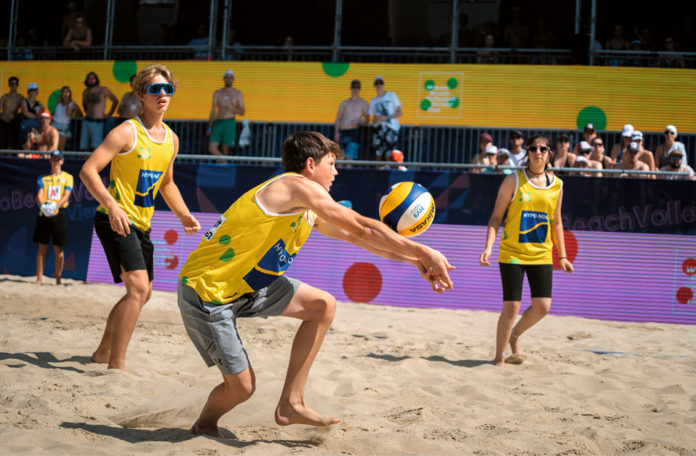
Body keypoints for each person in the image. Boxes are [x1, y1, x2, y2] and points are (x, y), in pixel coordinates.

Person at [177, 130, 454, 437]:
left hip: (249, 287)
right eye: (331, 163)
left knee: (322, 306)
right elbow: (361, 227)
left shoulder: (307, 206)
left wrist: (416, 261)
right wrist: (423, 250)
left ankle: (291, 404)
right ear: (310, 164)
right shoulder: (293, 186)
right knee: (242, 388)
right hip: (207, 291)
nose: (335, 172)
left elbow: (356, 238)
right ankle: (204, 423)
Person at [79, 64, 201, 371]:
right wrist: (112, 205)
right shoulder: (126, 131)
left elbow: (167, 183)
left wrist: (184, 214)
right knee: (137, 289)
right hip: (114, 218)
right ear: (140, 95)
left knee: (142, 293)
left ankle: (101, 353)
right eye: (155, 89)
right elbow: (88, 171)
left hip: (141, 223)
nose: (162, 95)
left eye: (168, 89)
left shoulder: (171, 140)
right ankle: (116, 366)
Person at [479, 133, 574, 367]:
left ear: (550, 153)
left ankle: (515, 335)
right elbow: (495, 217)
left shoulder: (557, 185)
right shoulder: (514, 180)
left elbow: (557, 222)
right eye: (533, 148)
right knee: (511, 306)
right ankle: (499, 357)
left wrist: (562, 255)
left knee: (543, 306)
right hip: (512, 252)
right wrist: (488, 247)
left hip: (541, 253)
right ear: (527, 153)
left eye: (543, 149)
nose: (538, 152)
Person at [34, 150, 73, 285]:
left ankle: (58, 278)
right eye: (54, 159)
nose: (56, 162)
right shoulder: (42, 177)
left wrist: (56, 206)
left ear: (62, 161)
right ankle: (39, 278)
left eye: (58, 159)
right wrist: (43, 205)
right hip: (44, 212)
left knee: (59, 248)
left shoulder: (68, 177)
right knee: (42, 246)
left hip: (59, 212)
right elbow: (39, 194)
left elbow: (66, 195)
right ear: (50, 160)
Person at [207, 69, 245, 158]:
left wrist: (231, 107)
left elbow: (242, 112)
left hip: (230, 122)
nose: (228, 80)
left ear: (233, 79)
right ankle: (225, 163)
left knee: (225, 150)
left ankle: (223, 167)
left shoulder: (238, 94)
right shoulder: (218, 93)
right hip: (218, 122)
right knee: (212, 148)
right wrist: (210, 126)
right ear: (223, 79)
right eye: (227, 78)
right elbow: (213, 111)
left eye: (230, 78)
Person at [81, 72, 118, 152]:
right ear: (87, 80)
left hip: (97, 122)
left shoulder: (103, 90)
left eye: (93, 78)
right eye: (89, 78)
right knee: (84, 147)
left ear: (96, 79)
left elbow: (115, 101)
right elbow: (84, 104)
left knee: (96, 147)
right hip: (86, 121)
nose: (91, 80)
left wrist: (109, 114)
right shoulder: (85, 92)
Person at [334, 79, 368, 162]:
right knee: (339, 159)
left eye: (357, 87)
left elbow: (367, 118)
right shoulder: (344, 103)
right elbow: (338, 118)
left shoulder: (363, 103)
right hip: (343, 132)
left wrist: (359, 122)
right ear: (351, 89)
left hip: (353, 133)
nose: (355, 90)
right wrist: (336, 133)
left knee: (350, 158)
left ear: (360, 89)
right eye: (354, 87)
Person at [369, 76, 402, 161]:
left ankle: (389, 172)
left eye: (381, 83)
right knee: (378, 152)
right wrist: (375, 120)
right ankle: (379, 172)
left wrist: (386, 117)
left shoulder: (391, 95)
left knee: (390, 153)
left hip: (391, 128)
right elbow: (372, 118)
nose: (379, 85)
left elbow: (400, 112)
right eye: (377, 83)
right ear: (374, 86)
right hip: (379, 129)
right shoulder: (374, 100)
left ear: (383, 85)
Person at [52, 86, 84, 151]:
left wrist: (73, 115)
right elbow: (53, 114)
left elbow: (80, 114)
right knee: (52, 148)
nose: (65, 95)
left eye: (67, 93)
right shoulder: (58, 103)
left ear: (70, 94)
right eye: (64, 93)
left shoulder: (72, 104)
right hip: (54, 126)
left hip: (63, 129)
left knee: (60, 150)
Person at [0, 76, 24, 149]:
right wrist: (2, 117)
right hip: (3, 120)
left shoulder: (20, 97)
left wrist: (14, 116)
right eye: (12, 84)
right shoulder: (5, 97)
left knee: (12, 137)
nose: (13, 86)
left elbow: (23, 111)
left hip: (13, 121)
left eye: (15, 84)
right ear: (9, 85)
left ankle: (9, 153)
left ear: (17, 85)